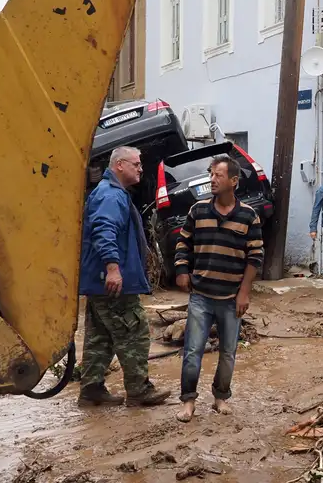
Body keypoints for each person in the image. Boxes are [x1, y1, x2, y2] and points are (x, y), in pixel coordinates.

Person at [77, 146, 171, 407]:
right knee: (136, 331)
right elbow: (103, 230)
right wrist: (113, 268)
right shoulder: (110, 196)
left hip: (99, 282)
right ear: (119, 165)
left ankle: (91, 390)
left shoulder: (111, 193)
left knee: (100, 336)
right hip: (111, 281)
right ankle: (139, 390)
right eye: (136, 164)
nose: (141, 169)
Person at [173, 154, 264, 422]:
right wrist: (181, 270)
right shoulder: (198, 211)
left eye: (218, 175)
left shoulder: (249, 216)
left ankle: (220, 397)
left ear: (233, 181)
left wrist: (244, 293)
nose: (212, 179)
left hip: (231, 298)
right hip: (200, 295)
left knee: (228, 352)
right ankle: (188, 401)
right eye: (211, 174)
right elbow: (183, 244)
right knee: (192, 351)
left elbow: (255, 257)